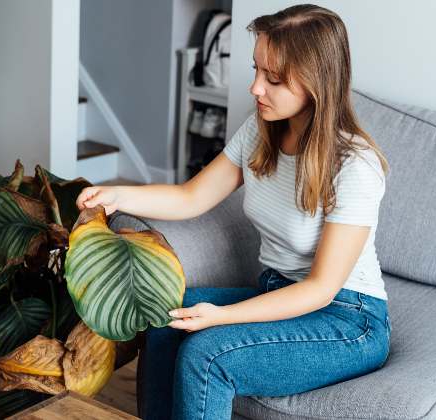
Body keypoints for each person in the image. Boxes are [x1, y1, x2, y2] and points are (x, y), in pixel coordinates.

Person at [75, 4, 391, 420]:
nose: (255, 88)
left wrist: (223, 316)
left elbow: (320, 289)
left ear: (317, 82)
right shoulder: (260, 133)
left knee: (208, 354)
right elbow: (192, 197)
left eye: (273, 79)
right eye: (256, 70)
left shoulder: (354, 166)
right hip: (277, 292)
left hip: (349, 321)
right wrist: (116, 196)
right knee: (167, 316)